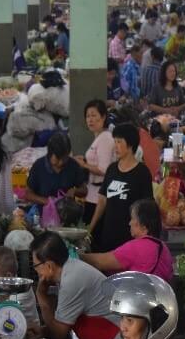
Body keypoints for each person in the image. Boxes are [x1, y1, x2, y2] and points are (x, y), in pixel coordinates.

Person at [30, 232, 130, 339]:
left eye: (36, 266)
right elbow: (65, 321)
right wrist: (44, 331)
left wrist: (41, 296)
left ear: (49, 266)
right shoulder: (69, 270)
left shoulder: (71, 281)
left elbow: (60, 333)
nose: (37, 271)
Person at [88, 123, 154, 253]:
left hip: (130, 238)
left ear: (130, 145)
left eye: (119, 142)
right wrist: (90, 228)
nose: (115, 146)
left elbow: (147, 208)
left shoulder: (142, 172)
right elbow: (102, 201)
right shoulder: (112, 169)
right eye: (115, 141)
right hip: (108, 235)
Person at [82, 198, 173, 283]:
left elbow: (99, 262)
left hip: (137, 298)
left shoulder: (137, 247)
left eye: (133, 219)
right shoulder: (164, 248)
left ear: (144, 225)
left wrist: (76, 255)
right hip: (160, 298)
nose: (130, 223)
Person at [73, 100, 116, 227]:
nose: (90, 120)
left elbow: (104, 169)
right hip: (91, 194)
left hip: (99, 196)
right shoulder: (98, 138)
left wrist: (83, 165)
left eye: (94, 115)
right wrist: (85, 161)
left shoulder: (105, 138)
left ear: (103, 117)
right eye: (87, 116)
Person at [25, 132, 88, 208]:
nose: (61, 162)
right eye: (58, 158)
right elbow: (28, 194)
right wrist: (47, 201)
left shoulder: (73, 165)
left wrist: (75, 191)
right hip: (44, 215)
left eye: (64, 158)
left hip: (66, 214)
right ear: (50, 154)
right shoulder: (39, 166)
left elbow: (84, 190)